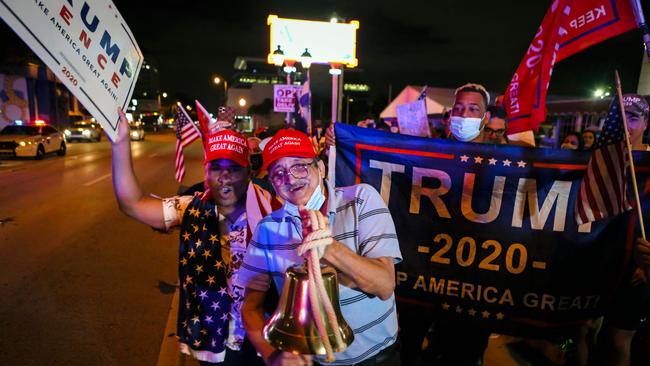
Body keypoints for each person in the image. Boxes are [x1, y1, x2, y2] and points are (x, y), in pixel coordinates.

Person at [110, 108, 271, 365]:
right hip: (215, 339)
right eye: (216, 167)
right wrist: (120, 143)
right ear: (206, 174)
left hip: (262, 339)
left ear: (249, 172)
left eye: (234, 168)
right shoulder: (192, 208)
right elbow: (132, 204)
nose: (225, 176)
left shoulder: (272, 209)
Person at [236, 129, 403, 366]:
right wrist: (271, 355)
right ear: (272, 182)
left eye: (300, 166)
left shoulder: (361, 200)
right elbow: (251, 307)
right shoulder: (267, 230)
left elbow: (385, 285)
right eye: (279, 173)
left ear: (321, 168)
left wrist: (329, 248)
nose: (291, 179)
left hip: (376, 359)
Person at [593, 94, 650, 366]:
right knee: (584, 332)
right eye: (619, 117)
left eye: (634, 117)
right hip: (597, 263)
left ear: (646, 123)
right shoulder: (599, 160)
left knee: (618, 342)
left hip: (636, 269)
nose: (626, 124)